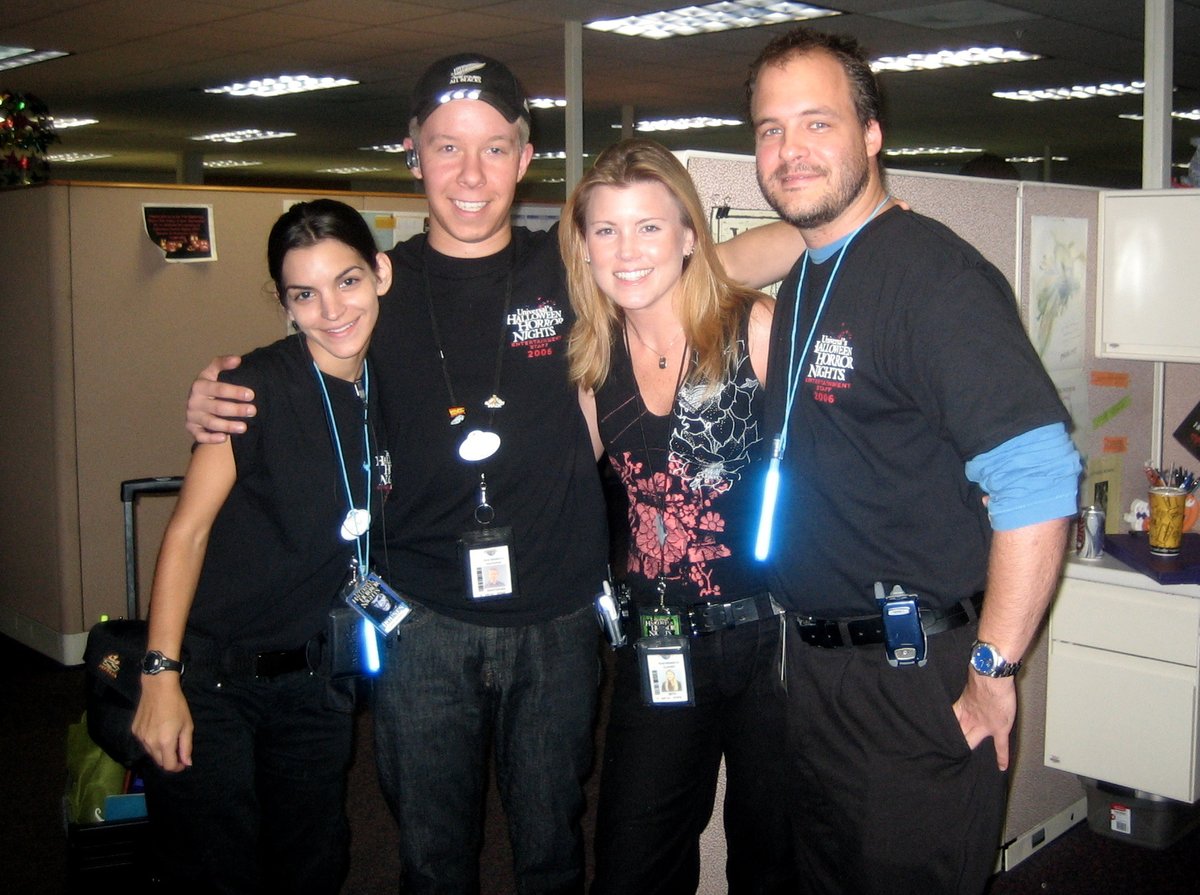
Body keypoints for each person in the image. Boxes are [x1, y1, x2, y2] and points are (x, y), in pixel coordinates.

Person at [183, 54, 803, 894]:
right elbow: (301, 353)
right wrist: (218, 394)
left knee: (552, 849)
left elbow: (713, 260)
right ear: (413, 153)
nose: (470, 175)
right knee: (433, 857)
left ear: (523, 153)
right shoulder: (378, 293)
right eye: (446, 148)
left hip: (557, 619)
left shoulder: (576, 268)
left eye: (493, 148)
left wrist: (841, 230)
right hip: (423, 623)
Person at [745, 26, 1082, 894]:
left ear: (871, 133)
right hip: (821, 674)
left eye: (816, 124)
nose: (789, 151)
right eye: (770, 130)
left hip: (914, 681)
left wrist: (994, 670)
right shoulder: (809, 279)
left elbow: (1039, 479)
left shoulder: (934, 277)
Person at [133, 199, 394, 894]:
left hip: (317, 681)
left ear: (380, 275)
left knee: (312, 862)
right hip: (217, 679)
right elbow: (185, 532)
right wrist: (160, 675)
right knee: (216, 869)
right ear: (284, 302)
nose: (331, 309)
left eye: (347, 281)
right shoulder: (250, 389)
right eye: (303, 294)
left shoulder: (399, 386)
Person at [560, 138, 793, 894]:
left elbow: (836, 462)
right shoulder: (593, 363)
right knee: (633, 860)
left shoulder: (750, 328)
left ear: (690, 235)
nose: (627, 251)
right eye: (606, 230)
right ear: (585, 246)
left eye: (649, 227)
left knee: (773, 852)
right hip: (659, 642)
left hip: (772, 641)